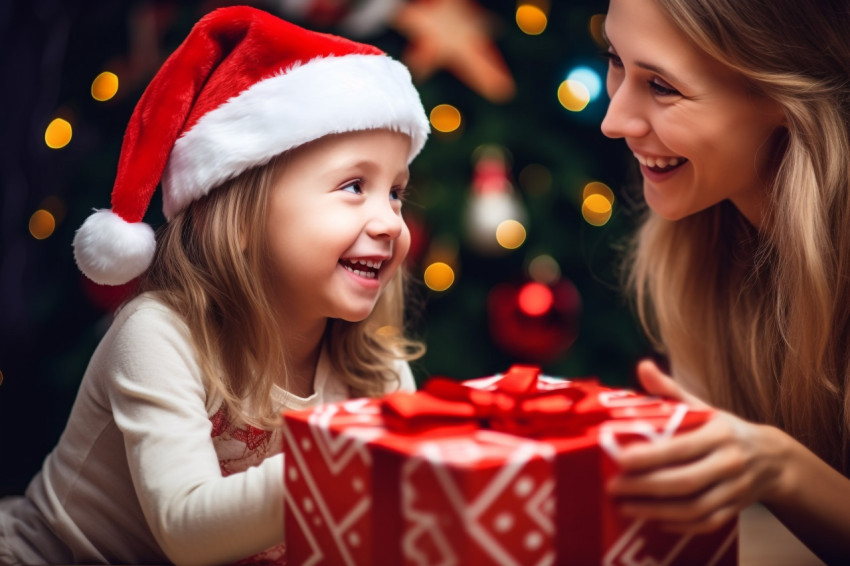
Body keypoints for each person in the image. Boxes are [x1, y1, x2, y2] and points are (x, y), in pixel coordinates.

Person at [0, 6, 430, 565]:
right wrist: (354, 456)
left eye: (395, 191)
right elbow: (188, 529)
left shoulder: (377, 370)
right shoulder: (158, 335)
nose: (390, 222)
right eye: (354, 186)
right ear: (242, 219)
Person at [599, 0, 850, 562]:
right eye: (616, 60)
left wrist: (783, 471)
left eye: (662, 86)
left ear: (782, 94)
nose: (613, 121)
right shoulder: (690, 254)